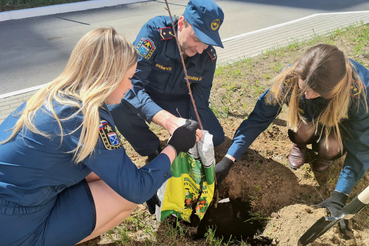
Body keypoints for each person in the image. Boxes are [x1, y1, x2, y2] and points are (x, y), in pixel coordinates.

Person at [0, 27, 200, 246]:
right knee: (126, 197)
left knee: (114, 180)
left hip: (15, 201)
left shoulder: (61, 96)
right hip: (15, 225)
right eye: (129, 77)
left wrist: (141, 179)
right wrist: (175, 145)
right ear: (109, 77)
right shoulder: (86, 117)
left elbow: (103, 167)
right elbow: (135, 190)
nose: (130, 86)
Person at [215, 44, 369, 233]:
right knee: (302, 131)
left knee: (331, 148)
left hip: (338, 125)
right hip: (308, 120)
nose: (308, 95)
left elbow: (361, 148)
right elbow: (259, 118)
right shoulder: (291, 78)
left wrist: (339, 197)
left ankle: (324, 156)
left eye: (316, 91)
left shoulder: (359, 93)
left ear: (334, 90)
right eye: (304, 87)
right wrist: (229, 159)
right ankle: (301, 145)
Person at [108, 0, 225, 163]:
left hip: (178, 100)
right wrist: (168, 121)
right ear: (182, 23)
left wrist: (193, 131)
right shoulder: (154, 33)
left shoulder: (208, 57)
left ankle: (180, 146)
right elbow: (132, 84)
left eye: (206, 42)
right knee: (116, 106)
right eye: (196, 38)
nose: (199, 49)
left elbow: (199, 100)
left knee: (215, 137)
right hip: (146, 93)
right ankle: (151, 148)